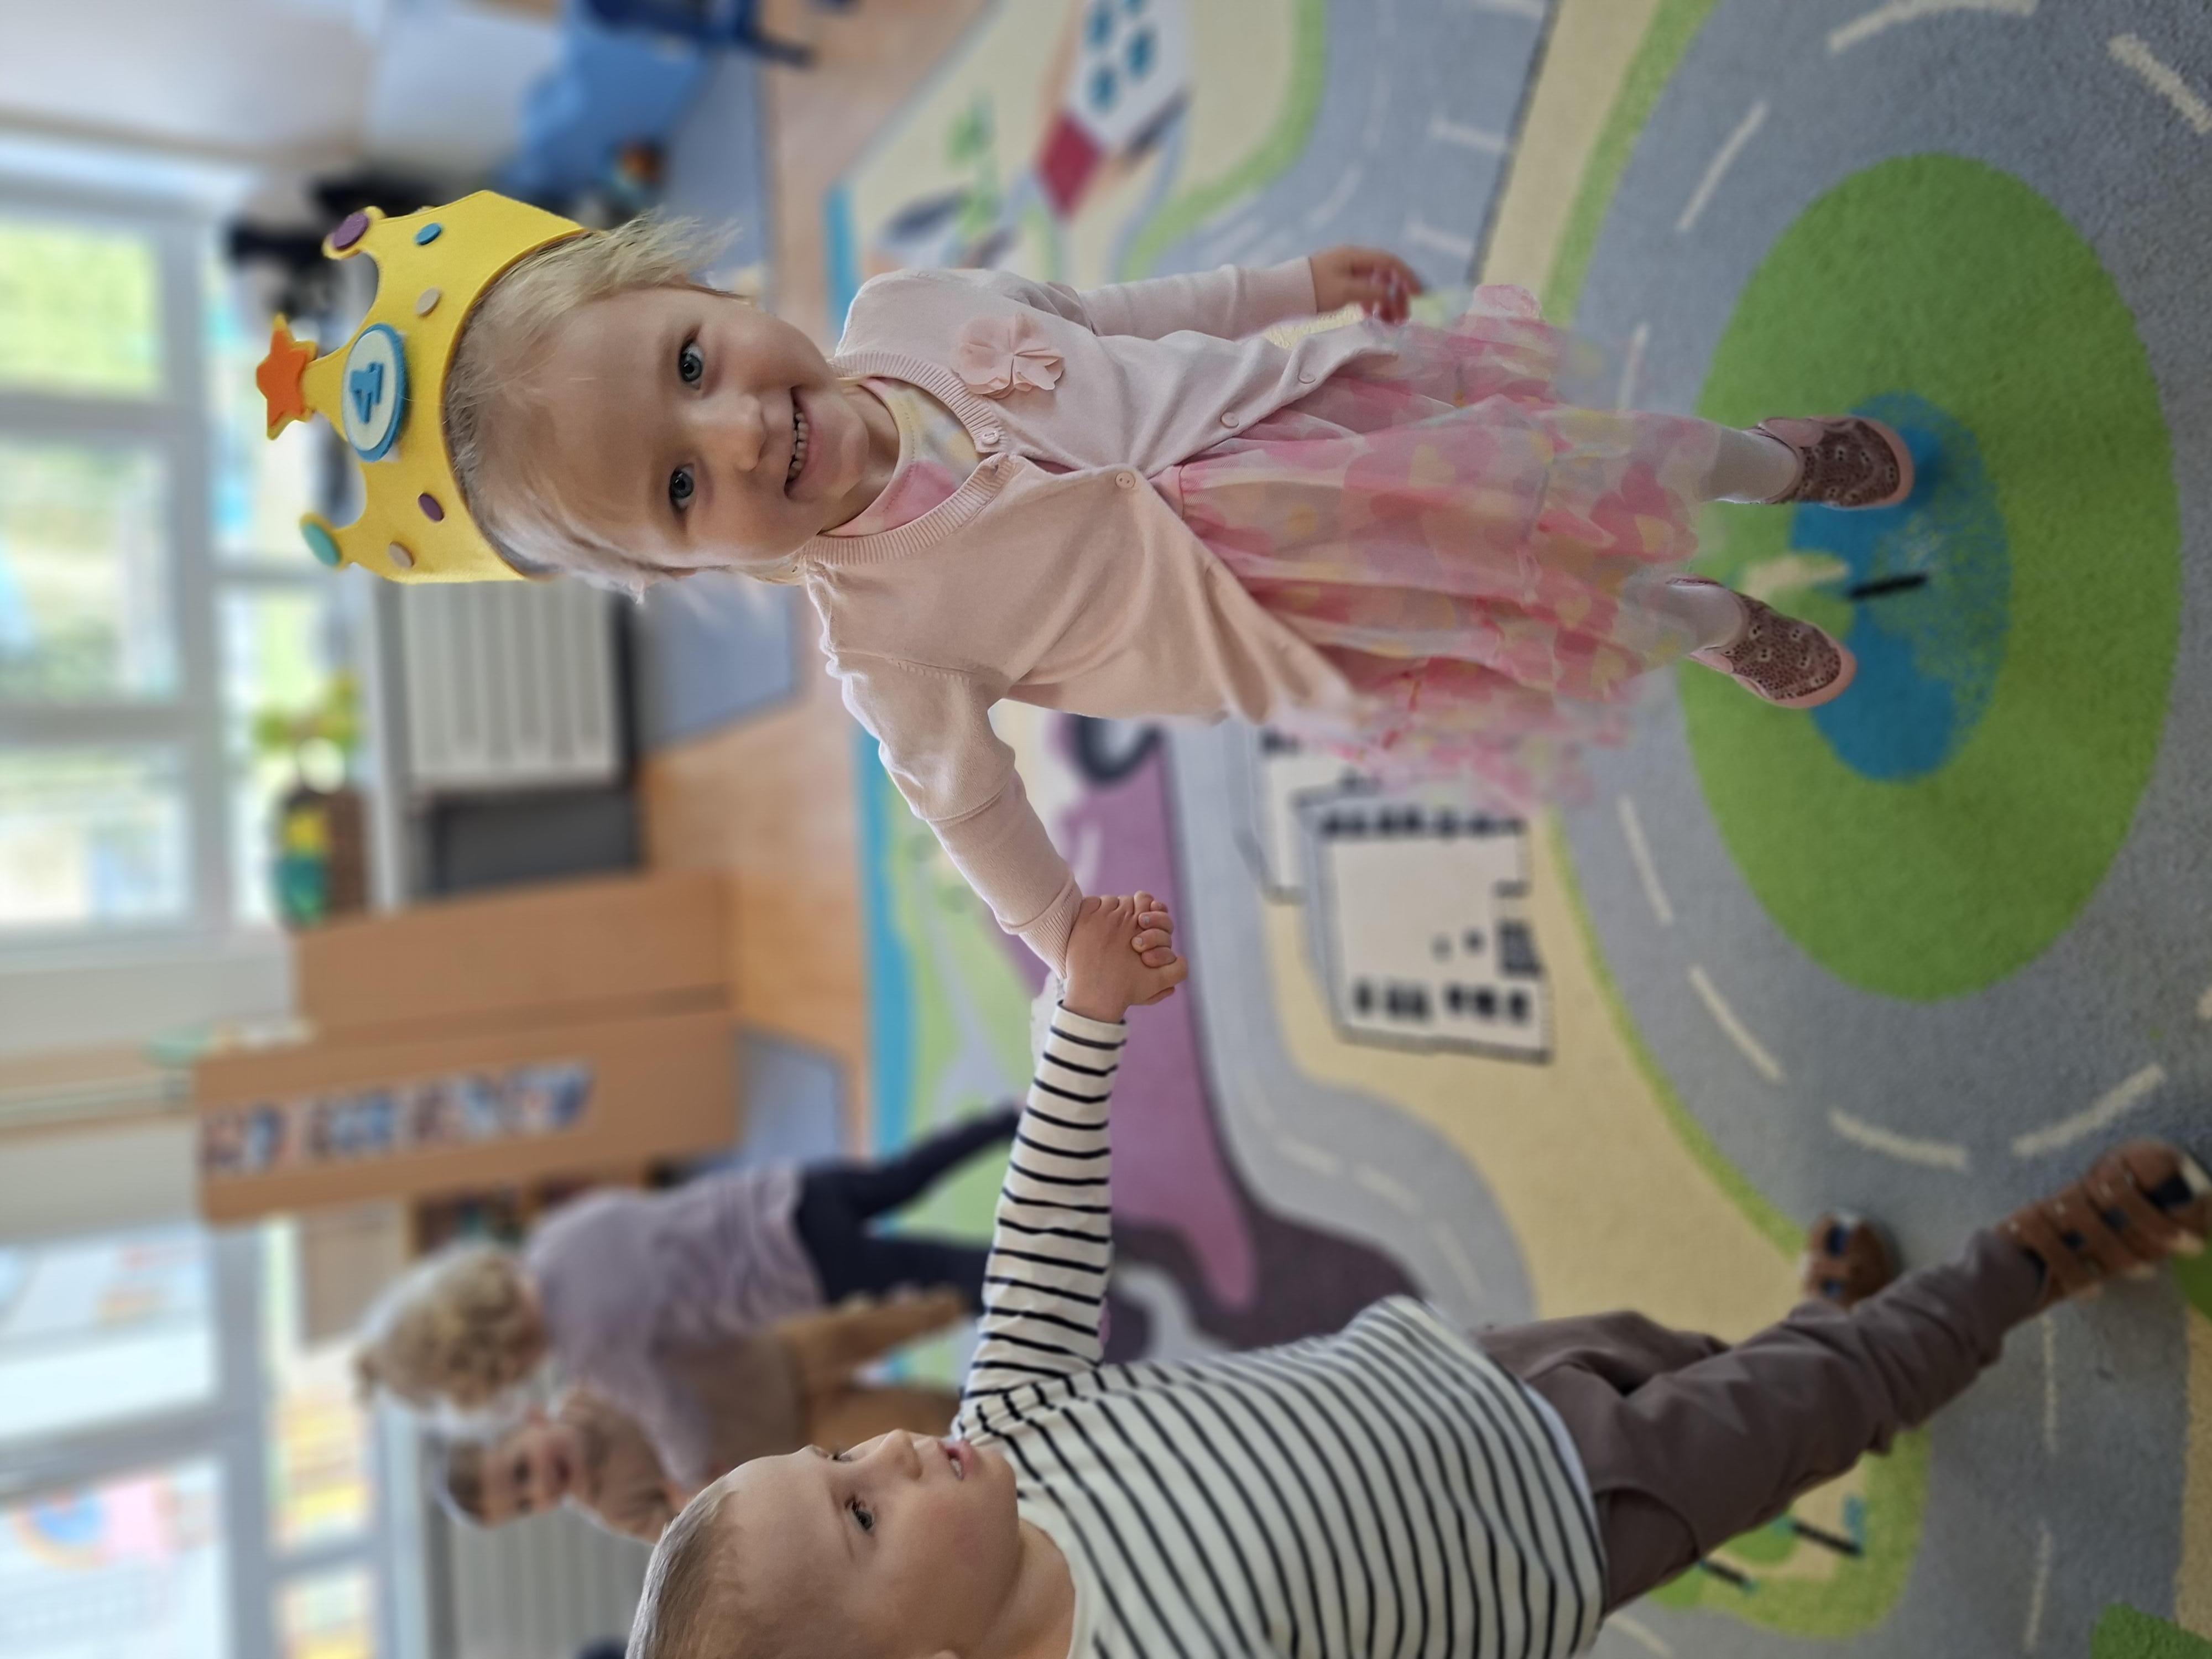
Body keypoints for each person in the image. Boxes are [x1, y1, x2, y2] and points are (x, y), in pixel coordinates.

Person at [623, 893, 2209, 1657]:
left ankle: (1809, 1330)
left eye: (839, 1459)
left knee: (1704, 1357)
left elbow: (1043, 1224)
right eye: (861, 1518)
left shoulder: (1010, 1425)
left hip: (1470, 1368)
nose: (889, 1454)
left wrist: (1082, 1020)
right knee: (1818, 1409)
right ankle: (2034, 1259)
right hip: (1556, 1536)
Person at [437, 220, 1903, 975]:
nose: (739, 432)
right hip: (1317, 613)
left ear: (712, 292)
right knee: (1570, 620)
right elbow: (971, 813)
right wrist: (1063, 932)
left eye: (694, 364)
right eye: (679, 487)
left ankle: (1767, 464)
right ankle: (1705, 622)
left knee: (1582, 461)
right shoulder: (886, 646)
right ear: (687, 569)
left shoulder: (908, 310)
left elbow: (1110, 316)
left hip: (1334, 426)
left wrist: (1288, 285)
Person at [353, 1109, 1018, 1486]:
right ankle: (1009, 1120)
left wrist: (693, 1477)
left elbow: (672, 1413)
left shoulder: (589, 1350)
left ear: (494, 1370)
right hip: (782, 1193)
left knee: (929, 1268)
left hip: (792, 1270)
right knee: (901, 1177)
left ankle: (1038, 1275)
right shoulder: (551, 1238)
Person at [436, 1290, 967, 1542]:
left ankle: (966, 1295)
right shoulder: (612, 1507)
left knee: (891, 1319)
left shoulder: (592, 1383)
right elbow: (688, 1532)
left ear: (528, 1419)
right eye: (526, 1505)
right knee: (924, 1417)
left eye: (521, 1471)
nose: (540, 1488)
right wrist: (686, 1504)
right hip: (805, 1437)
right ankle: (982, 1405)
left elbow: (659, 1329)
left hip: (776, 1355)